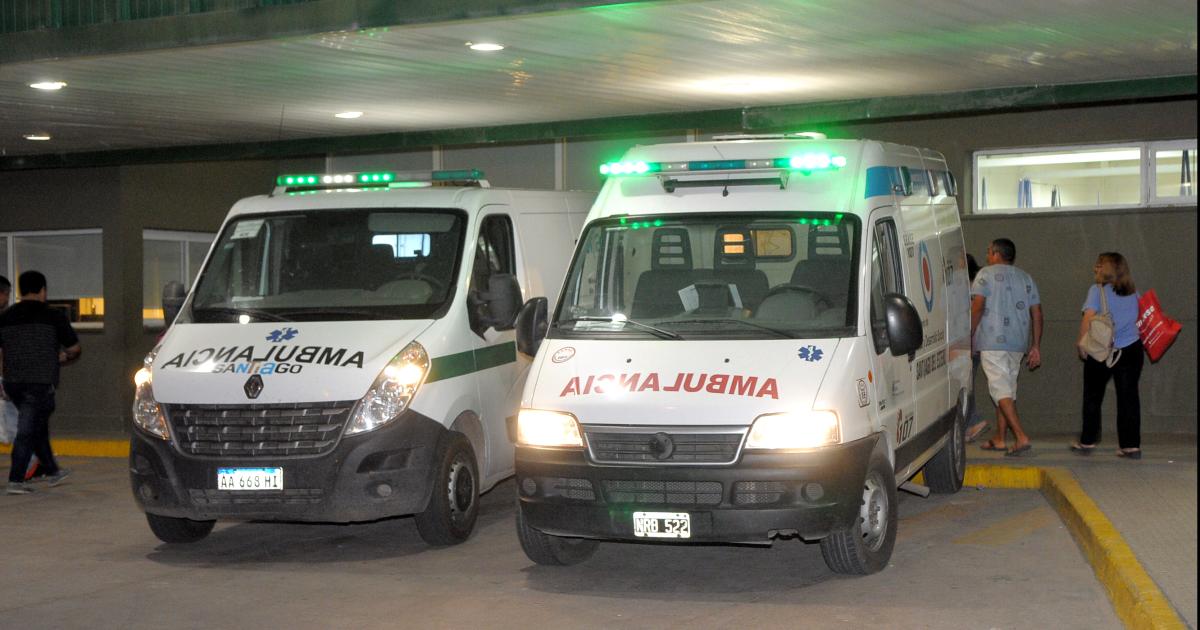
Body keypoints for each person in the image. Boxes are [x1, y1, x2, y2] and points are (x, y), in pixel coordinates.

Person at [0, 271, 82, 494]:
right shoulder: (53, 316)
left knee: (37, 426)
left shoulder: (6, 317)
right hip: (39, 383)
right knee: (27, 430)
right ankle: (16, 480)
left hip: (13, 383)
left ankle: (52, 471)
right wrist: (61, 358)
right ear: (43, 290)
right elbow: (74, 348)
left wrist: (2, 380)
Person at [971, 238, 1042, 457]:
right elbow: (1037, 313)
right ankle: (1000, 439)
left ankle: (1021, 437)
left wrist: (968, 336)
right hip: (1017, 343)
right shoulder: (1025, 277)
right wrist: (1035, 345)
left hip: (993, 342)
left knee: (1000, 390)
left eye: (988, 251)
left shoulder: (984, 274)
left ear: (995, 253)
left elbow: (977, 307)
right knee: (1007, 390)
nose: (986, 256)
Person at [1071, 253, 1144, 459]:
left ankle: (1088, 441)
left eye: (1099, 265)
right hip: (1132, 349)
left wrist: (1081, 342)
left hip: (1102, 350)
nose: (1095, 269)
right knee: (1128, 397)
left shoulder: (1097, 291)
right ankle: (1131, 446)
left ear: (1107, 269)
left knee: (1093, 396)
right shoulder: (1134, 292)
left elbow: (1088, 317)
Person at [963, 254, 988, 442]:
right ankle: (970, 422)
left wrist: (969, 341)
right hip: (976, 343)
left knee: (966, 385)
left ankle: (973, 421)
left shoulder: (969, 288)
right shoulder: (976, 285)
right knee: (966, 384)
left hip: (969, 343)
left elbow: (972, 316)